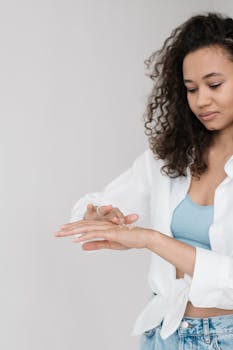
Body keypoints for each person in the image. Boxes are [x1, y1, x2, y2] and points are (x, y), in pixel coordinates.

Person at [54, 11, 233, 349]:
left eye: (214, 85)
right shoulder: (173, 158)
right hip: (164, 334)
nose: (201, 100)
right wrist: (100, 213)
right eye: (191, 89)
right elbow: (97, 203)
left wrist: (150, 240)